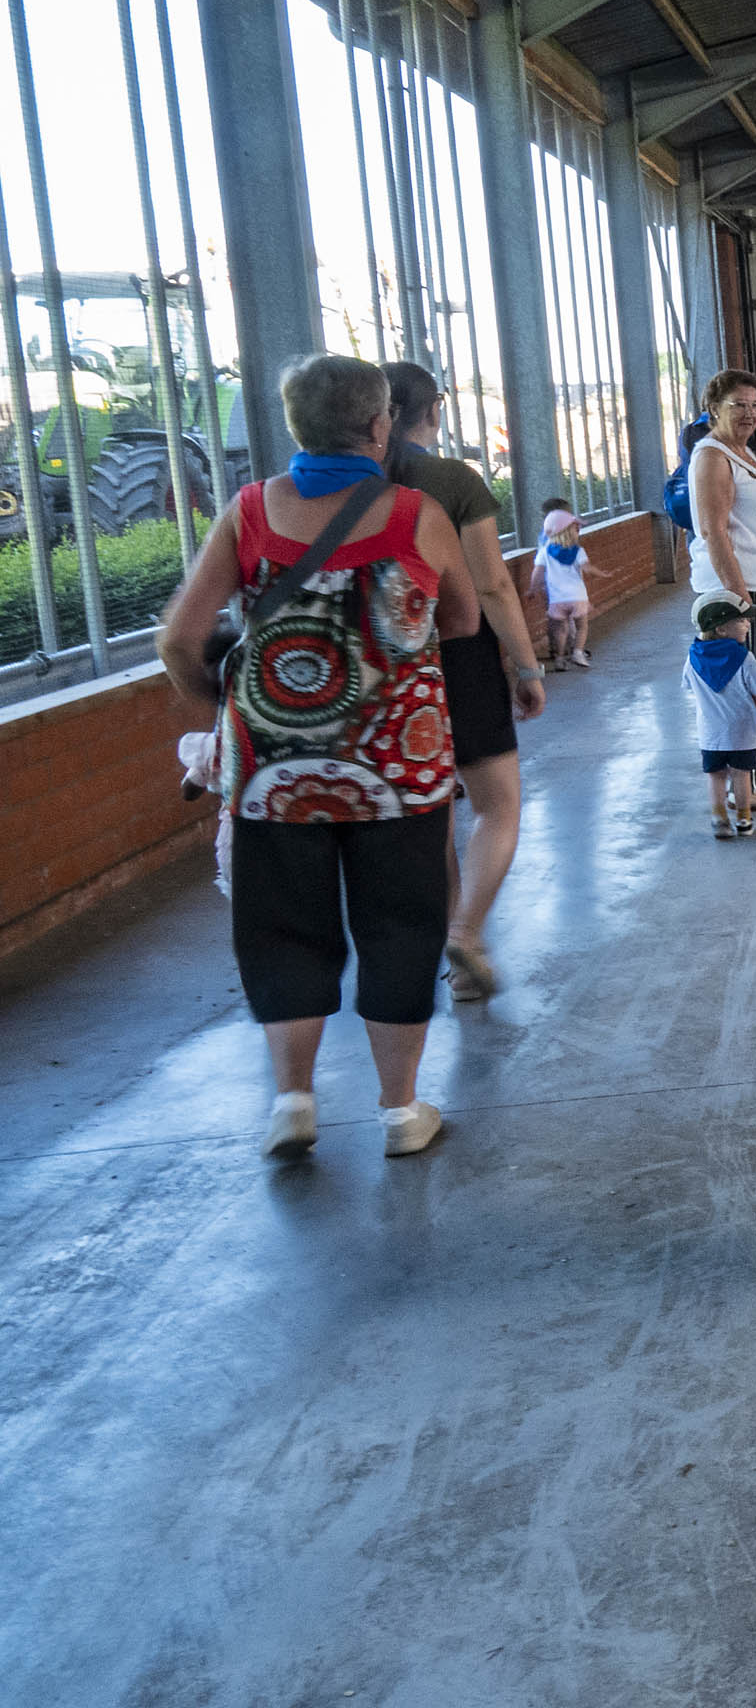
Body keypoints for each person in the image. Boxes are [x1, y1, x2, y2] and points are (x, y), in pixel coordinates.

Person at [155, 353, 479, 1160]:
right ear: (378, 425)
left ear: (296, 426)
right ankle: (400, 1112)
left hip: (273, 775)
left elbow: (179, 638)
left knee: (282, 929)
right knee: (401, 925)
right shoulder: (417, 514)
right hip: (398, 771)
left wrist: (228, 708)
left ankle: (293, 1102)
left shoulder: (249, 512)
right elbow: (463, 620)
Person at [382, 360, 545, 1002]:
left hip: (391, 660)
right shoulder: (452, 480)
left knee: (430, 814)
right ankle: (466, 932)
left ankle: (454, 962)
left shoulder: (353, 483)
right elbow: (492, 584)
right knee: (497, 805)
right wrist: (527, 666)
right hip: (462, 652)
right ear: (435, 409)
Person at [685, 371, 756, 810]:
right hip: (741, 591)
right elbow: (713, 530)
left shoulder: (742, 453)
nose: (750, 414)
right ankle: (746, 787)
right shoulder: (713, 457)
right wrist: (738, 600)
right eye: (739, 405)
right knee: (748, 693)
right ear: (714, 408)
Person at [687, 595, 756, 839]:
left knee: (715, 776)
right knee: (741, 775)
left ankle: (719, 819)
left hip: (710, 732)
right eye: (742, 620)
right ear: (721, 629)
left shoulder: (692, 657)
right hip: (742, 730)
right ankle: (744, 820)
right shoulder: (744, 658)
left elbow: (688, 685)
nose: (748, 624)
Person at [528, 504, 598, 669]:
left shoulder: (545, 543)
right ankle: (576, 650)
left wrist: (533, 588)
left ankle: (559, 656)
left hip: (554, 594)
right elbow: (586, 567)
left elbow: (538, 571)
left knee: (559, 626)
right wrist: (601, 573)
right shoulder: (575, 548)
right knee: (577, 625)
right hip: (574, 594)